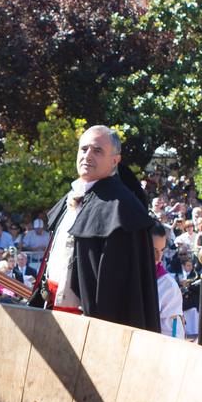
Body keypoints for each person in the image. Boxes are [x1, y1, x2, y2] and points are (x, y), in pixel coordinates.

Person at [35, 125, 159, 330]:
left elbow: (120, 291)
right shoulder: (72, 197)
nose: (87, 156)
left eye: (97, 150)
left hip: (90, 323)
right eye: (83, 149)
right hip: (52, 310)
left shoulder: (123, 209)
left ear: (115, 160)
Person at [152, 223, 184, 338]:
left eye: (161, 250)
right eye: (153, 250)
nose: (158, 258)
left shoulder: (167, 285)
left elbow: (174, 336)